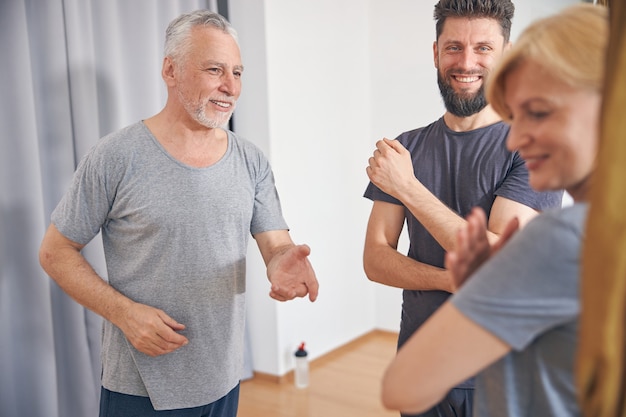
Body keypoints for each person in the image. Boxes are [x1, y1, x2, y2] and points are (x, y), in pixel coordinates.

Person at [39, 10, 319, 417]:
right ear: (170, 70)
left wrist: (282, 263)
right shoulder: (114, 157)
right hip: (140, 387)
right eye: (214, 70)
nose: (230, 87)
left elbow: (276, 244)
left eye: (237, 72)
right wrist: (124, 313)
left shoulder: (251, 160)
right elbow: (55, 251)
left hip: (223, 378)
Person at [381, 4, 608, 417]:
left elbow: (402, 386)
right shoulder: (582, 233)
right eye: (516, 110)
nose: (517, 134)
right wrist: (462, 279)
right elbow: (375, 259)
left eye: (538, 111)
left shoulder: (561, 238)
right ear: (436, 52)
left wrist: (409, 189)